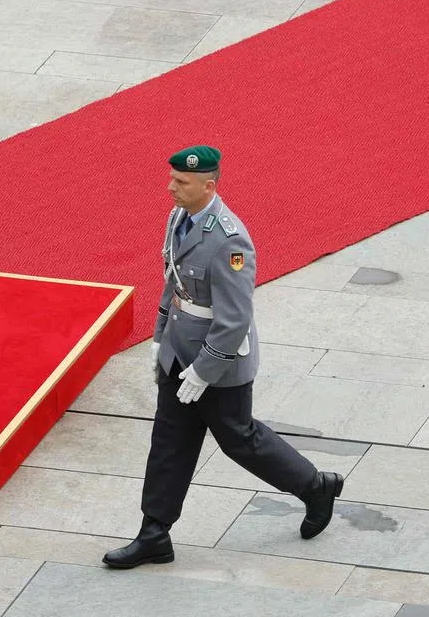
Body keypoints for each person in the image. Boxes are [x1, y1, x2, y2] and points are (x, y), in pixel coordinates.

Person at [103, 145, 344, 569]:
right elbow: (173, 281)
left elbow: (234, 318)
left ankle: (315, 487)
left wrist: (204, 370)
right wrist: (160, 337)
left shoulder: (229, 240)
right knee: (169, 442)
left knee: (239, 439)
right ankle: (154, 533)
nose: (171, 187)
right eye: (172, 178)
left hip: (219, 363)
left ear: (208, 186)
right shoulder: (179, 217)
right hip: (179, 351)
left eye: (181, 182)